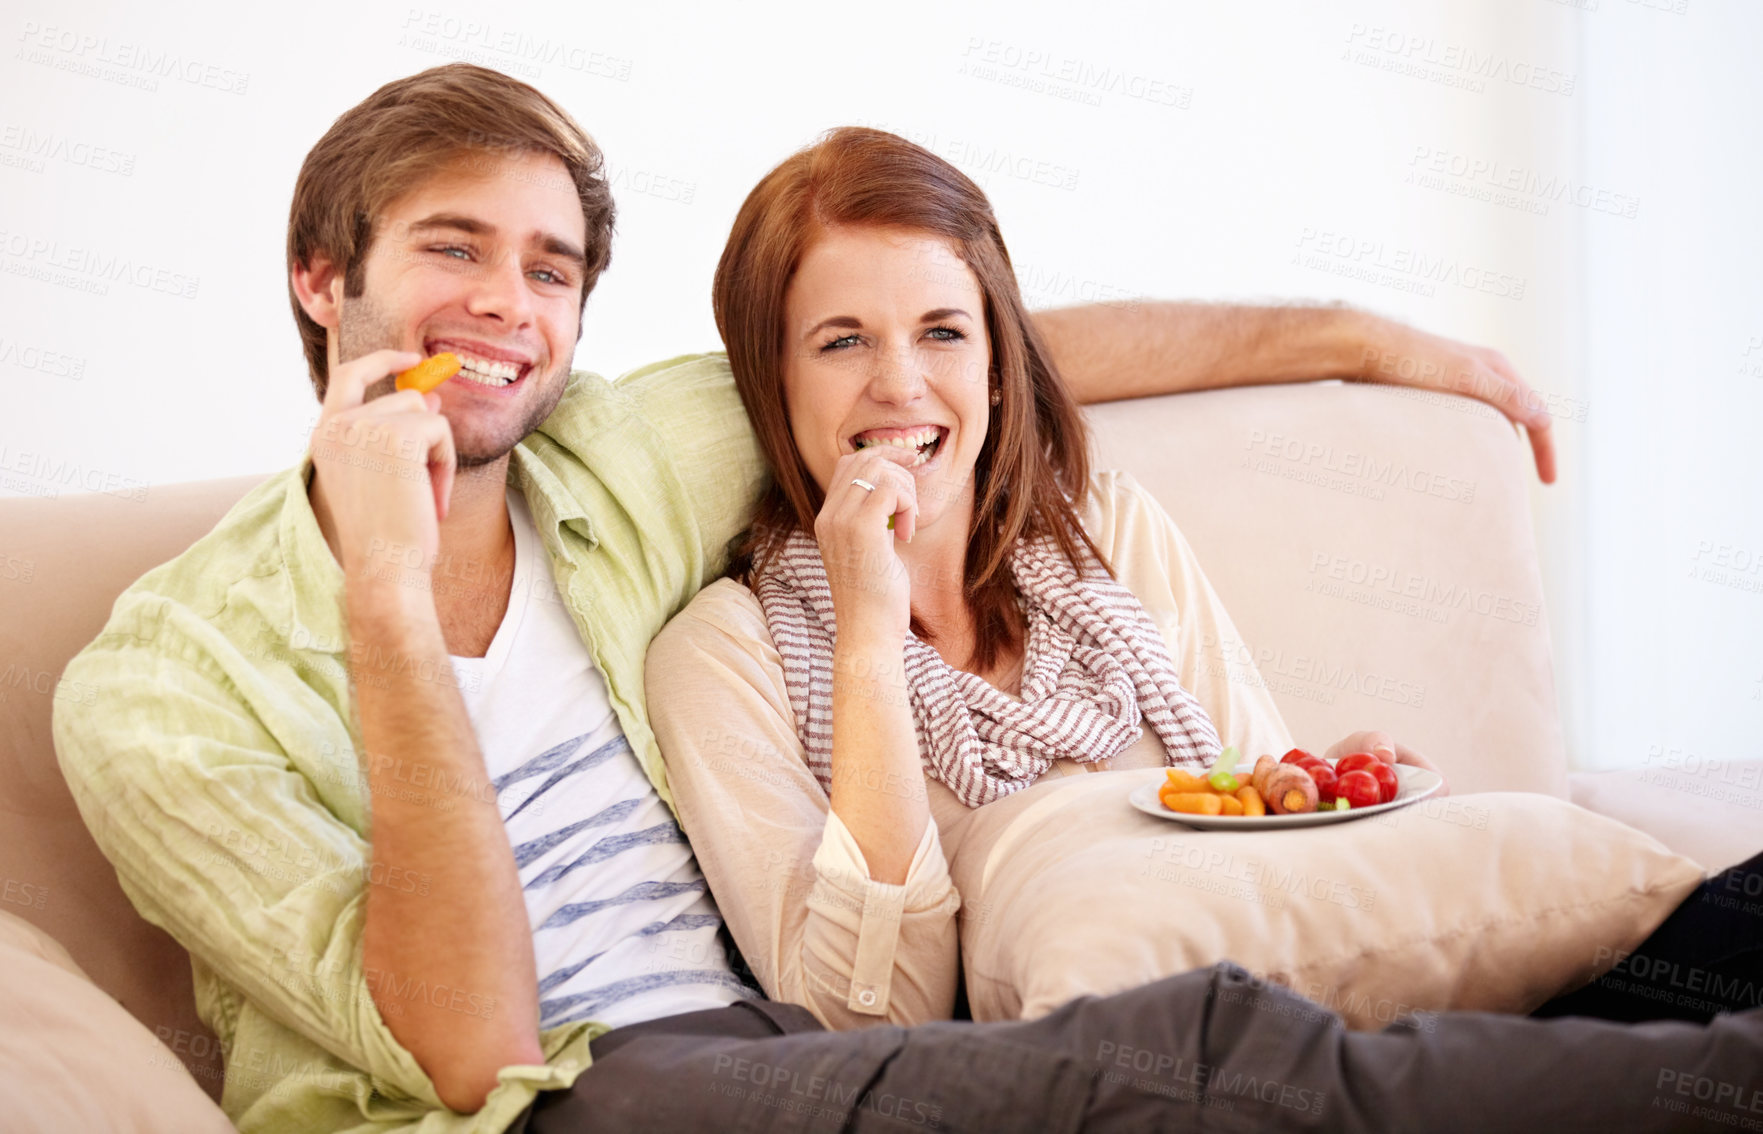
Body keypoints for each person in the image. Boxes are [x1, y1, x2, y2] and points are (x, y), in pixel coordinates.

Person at [50, 63, 1753, 1134]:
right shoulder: (157, 690)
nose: (506, 305)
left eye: (549, 265)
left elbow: (965, 356)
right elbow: (473, 1045)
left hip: (769, 1040)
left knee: (1617, 937)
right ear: (319, 275)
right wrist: (390, 605)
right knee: (1195, 1051)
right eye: (451, 247)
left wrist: (1369, 338)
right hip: (572, 1090)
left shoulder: (606, 461)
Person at [641, 127, 1761, 1036]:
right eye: (840, 341)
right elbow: (866, 1013)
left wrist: (1344, 795)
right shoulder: (724, 655)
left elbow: (1255, 819)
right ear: (768, 375)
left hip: (1353, 1021)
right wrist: (867, 640)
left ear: (994, 361)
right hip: (1138, 1070)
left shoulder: (1106, 535)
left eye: (942, 331)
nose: (901, 385)